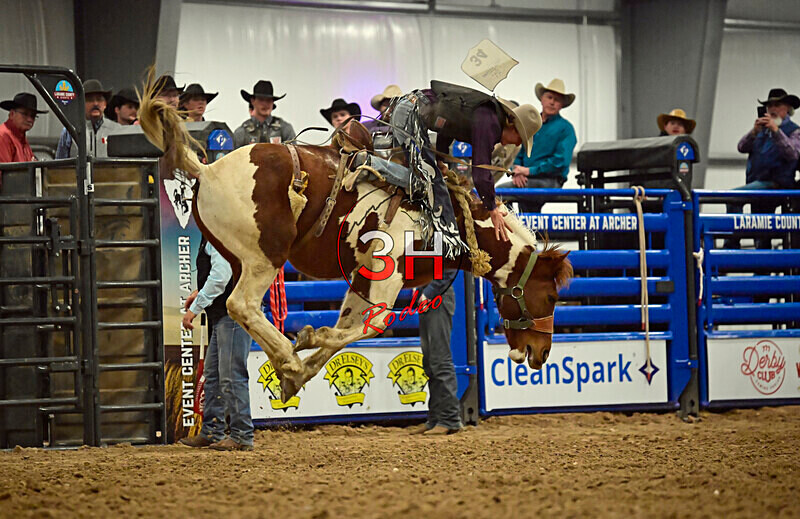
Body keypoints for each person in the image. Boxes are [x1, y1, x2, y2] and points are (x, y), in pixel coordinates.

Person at [388, 81, 541, 256]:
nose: (517, 143)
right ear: (512, 125)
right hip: (411, 113)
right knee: (431, 182)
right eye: (520, 138)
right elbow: (481, 173)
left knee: (429, 178)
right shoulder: (489, 122)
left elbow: (448, 125)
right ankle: (448, 247)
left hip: (411, 109)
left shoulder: (486, 115)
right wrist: (492, 208)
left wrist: (440, 159)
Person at [179, 238, 255, 451]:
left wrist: (196, 306)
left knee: (231, 374)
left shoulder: (218, 234)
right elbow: (221, 275)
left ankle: (242, 435)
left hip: (232, 314)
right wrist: (199, 293)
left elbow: (221, 277)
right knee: (215, 375)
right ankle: (213, 431)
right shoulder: (217, 233)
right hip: (226, 314)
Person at [726, 88, 800, 249]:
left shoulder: (795, 131)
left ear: (787, 108)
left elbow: (793, 154)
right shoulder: (761, 130)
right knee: (761, 231)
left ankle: (731, 243)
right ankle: (761, 269)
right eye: (770, 105)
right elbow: (741, 147)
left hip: (777, 184)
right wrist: (754, 132)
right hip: (758, 184)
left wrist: (776, 131)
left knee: (733, 197)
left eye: (777, 105)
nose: (772, 109)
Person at [496, 78, 577, 213]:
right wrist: (516, 172)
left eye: (557, 100)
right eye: (550, 97)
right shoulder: (531, 124)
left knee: (500, 192)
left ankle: (513, 228)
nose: (552, 102)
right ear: (542, 99)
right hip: (526, 178)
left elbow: (560, 162)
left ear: (561, 105)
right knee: (516, 202)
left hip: (550, 181)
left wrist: (528, 171)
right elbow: (518, 151)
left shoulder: (566, 129)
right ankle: (516, 228)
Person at [410, 271, 461, 436]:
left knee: (439, 359)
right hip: (431, 294)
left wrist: (428, 292)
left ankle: (449, 419)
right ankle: (436, 418)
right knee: (431, 361)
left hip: (438, 296)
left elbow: (448, 272)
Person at [55, 79, 120, 159]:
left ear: (105, 104)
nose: (95, 103)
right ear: (80, 104)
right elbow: (59, 165)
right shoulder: (70, 130)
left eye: (99, 99)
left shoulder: (116, 130)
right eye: (89, 100)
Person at [0, 93, 46, 187]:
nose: (29, 119)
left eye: (33, 116)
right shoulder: (3, 136)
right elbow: (3, 178)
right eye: (25, 114)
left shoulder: (21, 137)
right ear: (12, 114)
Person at [233, 80, 295, 148]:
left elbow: (294, 156)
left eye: (268, 100)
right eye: (261, 99)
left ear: (272, 103)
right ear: (253, 101)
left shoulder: (285, 129)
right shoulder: (241, 132)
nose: (265, 104)